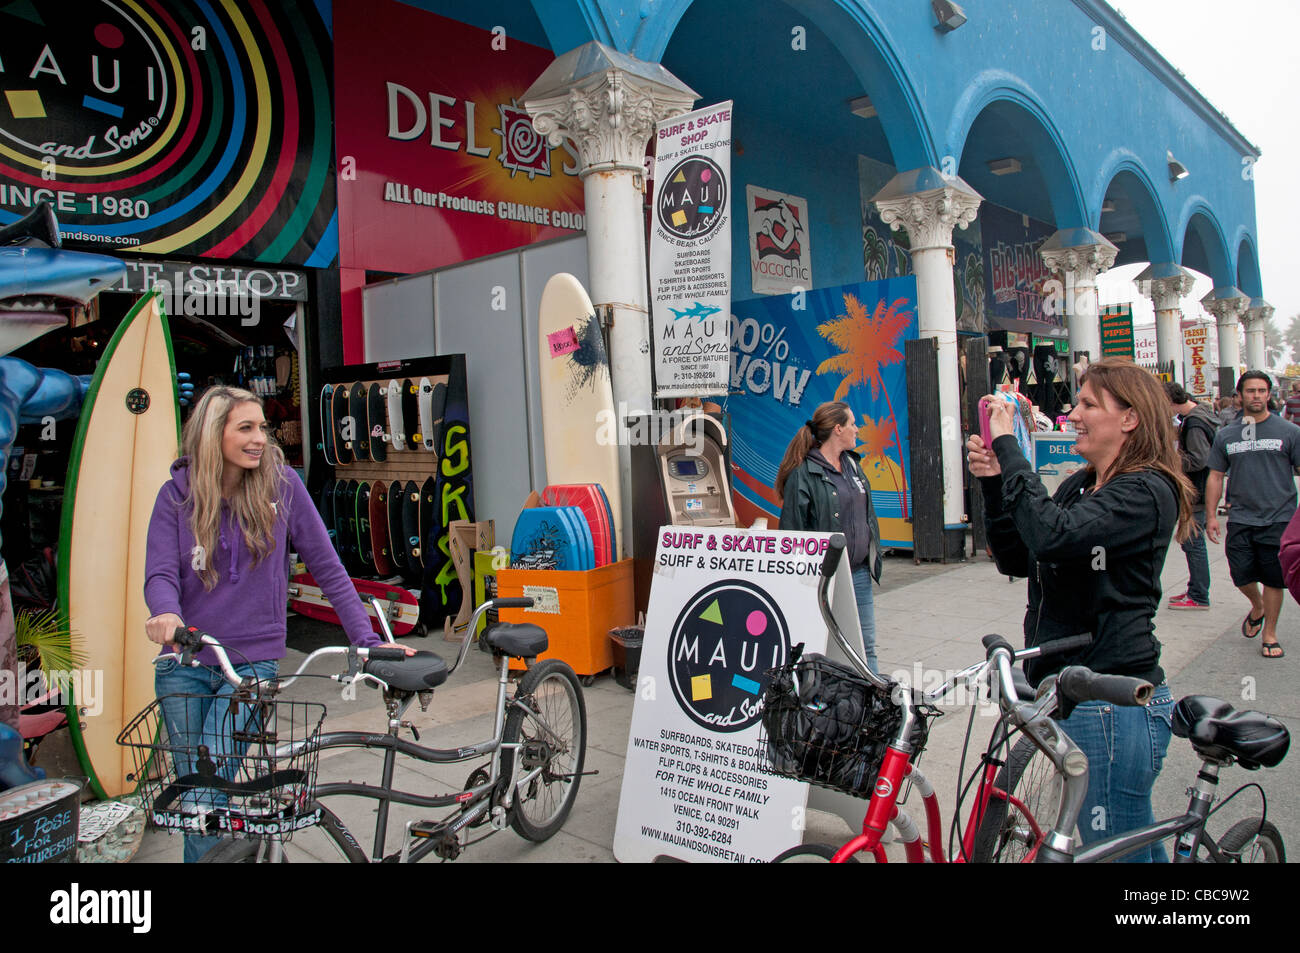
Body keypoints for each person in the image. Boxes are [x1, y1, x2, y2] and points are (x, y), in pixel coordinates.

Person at [144, 385, 397, 861]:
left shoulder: (281, 485)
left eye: (263, 427)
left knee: (206, 791)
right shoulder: (176, 496)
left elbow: (328, 567)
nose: (260, 437)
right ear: (212, 434)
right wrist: (166, 614)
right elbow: (160, 572)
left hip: (251, 666)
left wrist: (366, 640)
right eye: (246, 427)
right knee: (196, 799)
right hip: (184, 661)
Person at [966, 358, 1194, 863]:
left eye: (1089, 404)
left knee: (1113, 847)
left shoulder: (1146, 490)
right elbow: (1023, 553)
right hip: (1070, 688)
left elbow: (1054, 533)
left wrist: (1009, 443)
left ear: (1130, 418)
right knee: (1124, 843)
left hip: (1110, 696)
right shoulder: (1082, 484)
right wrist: (993, 480)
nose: (1072, 414)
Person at [777, 401, 882, 672]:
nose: (857, 429)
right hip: (824, 577)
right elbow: (791, 533)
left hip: (858, 573)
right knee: (824, 646)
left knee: (866, 645)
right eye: (852, 424)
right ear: (838, 429)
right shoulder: (804, 474)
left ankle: (874, 707)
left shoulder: (853, 465)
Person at [1205, 371, 1300, 659]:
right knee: (1240, 574)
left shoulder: (1289, 432)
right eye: (1250, 391)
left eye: (1261, 391)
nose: (1256, 396)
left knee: (1274, 578)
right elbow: (1215, 476)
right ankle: (1257, 606)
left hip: (1279, 517)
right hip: (1241, 517)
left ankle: (1269, 633)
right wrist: (1210, 515)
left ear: (1269, 395)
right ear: (1240, 395)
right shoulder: (1226, 435)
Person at [1164, 380, 1218, 609]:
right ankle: (1195, 589)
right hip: (1200, 489)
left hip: (1196, 490)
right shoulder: (1201, 414)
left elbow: (1199, 459)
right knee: (1191, 541)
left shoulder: (1194, 423)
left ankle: (1198, 594)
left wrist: (1171, 461)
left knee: (1192, 542)